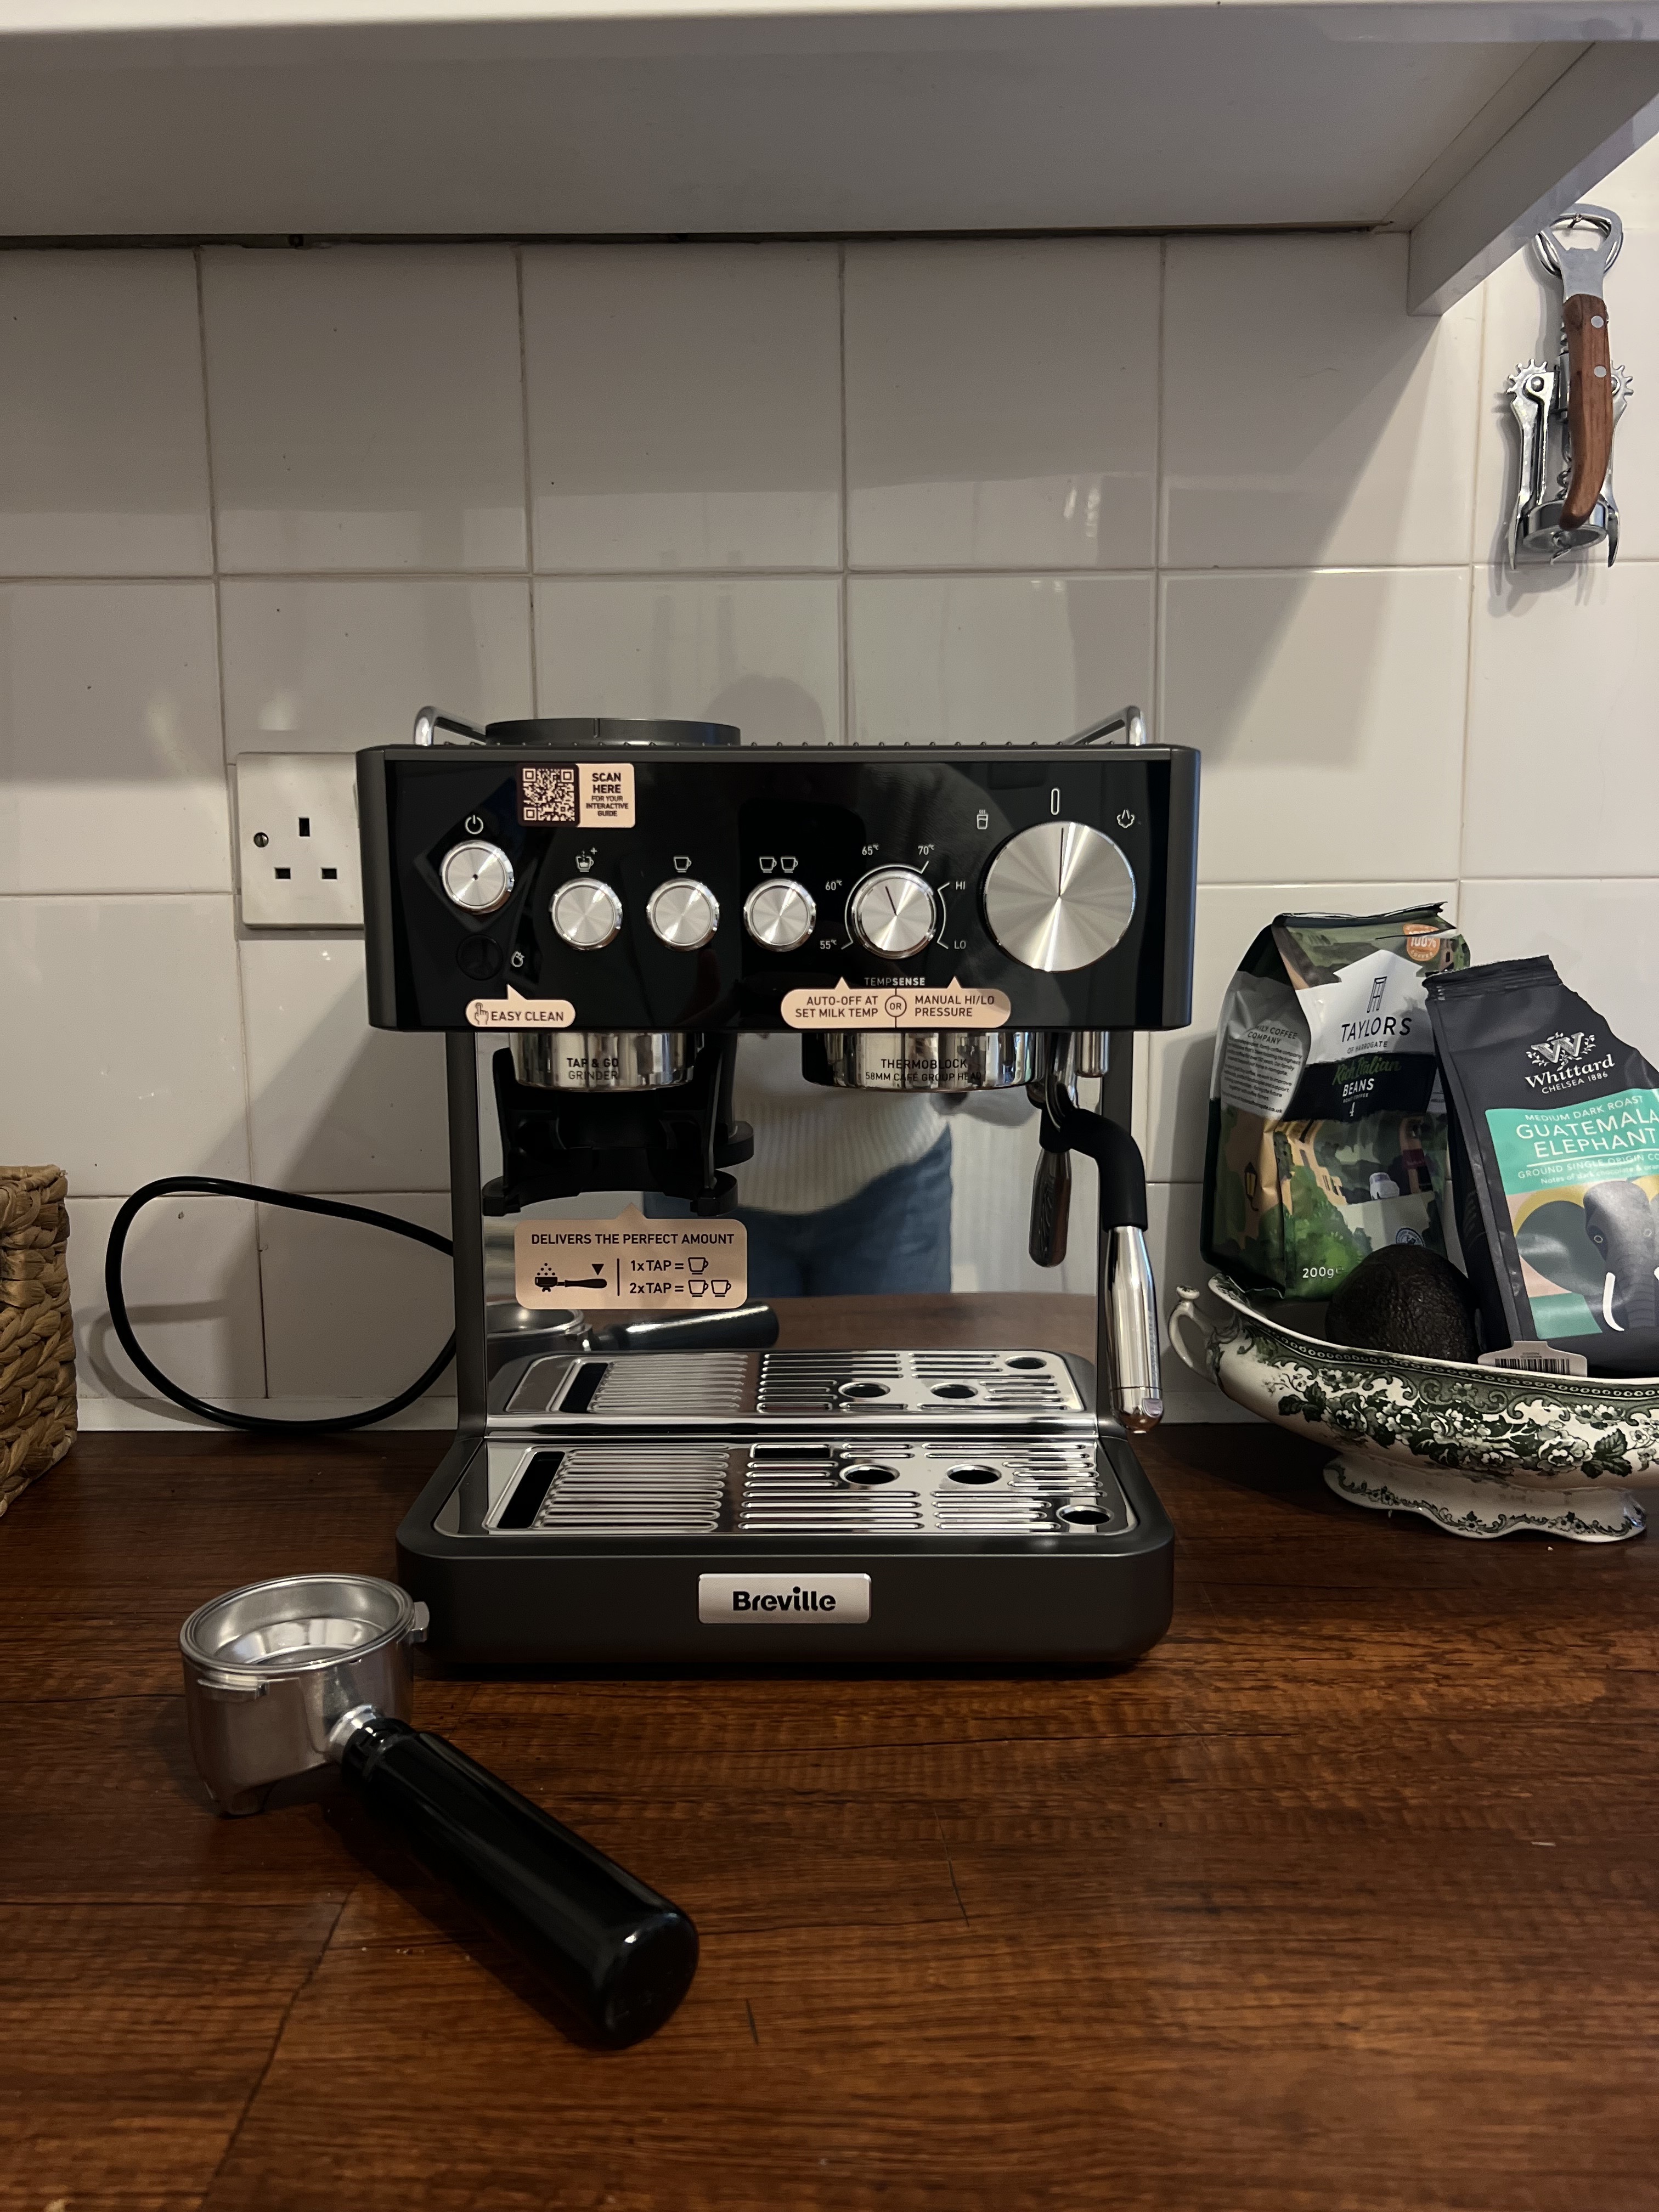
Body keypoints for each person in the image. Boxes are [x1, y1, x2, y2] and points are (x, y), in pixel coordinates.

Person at [646, 1034, 1029, 1299]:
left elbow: (1021, 1096)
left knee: (893, 1404)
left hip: (894, 1186)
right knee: (707, 1400)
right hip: (695, 1180)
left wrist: (934, 1045)